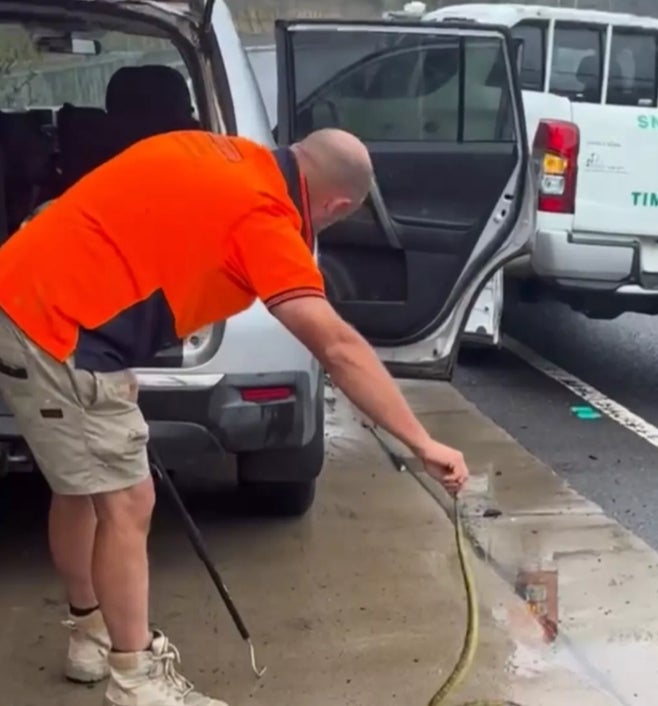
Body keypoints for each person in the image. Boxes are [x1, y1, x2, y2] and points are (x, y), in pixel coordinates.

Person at [0, 127, 470, 706]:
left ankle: (91, 634)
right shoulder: (263, 219)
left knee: (82, 484)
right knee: (128, 500)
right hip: (62, 329)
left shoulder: (221, 151)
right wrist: (423, 442)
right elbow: (337, 348)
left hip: (27, 290)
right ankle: (135, 678)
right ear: (336, 205)